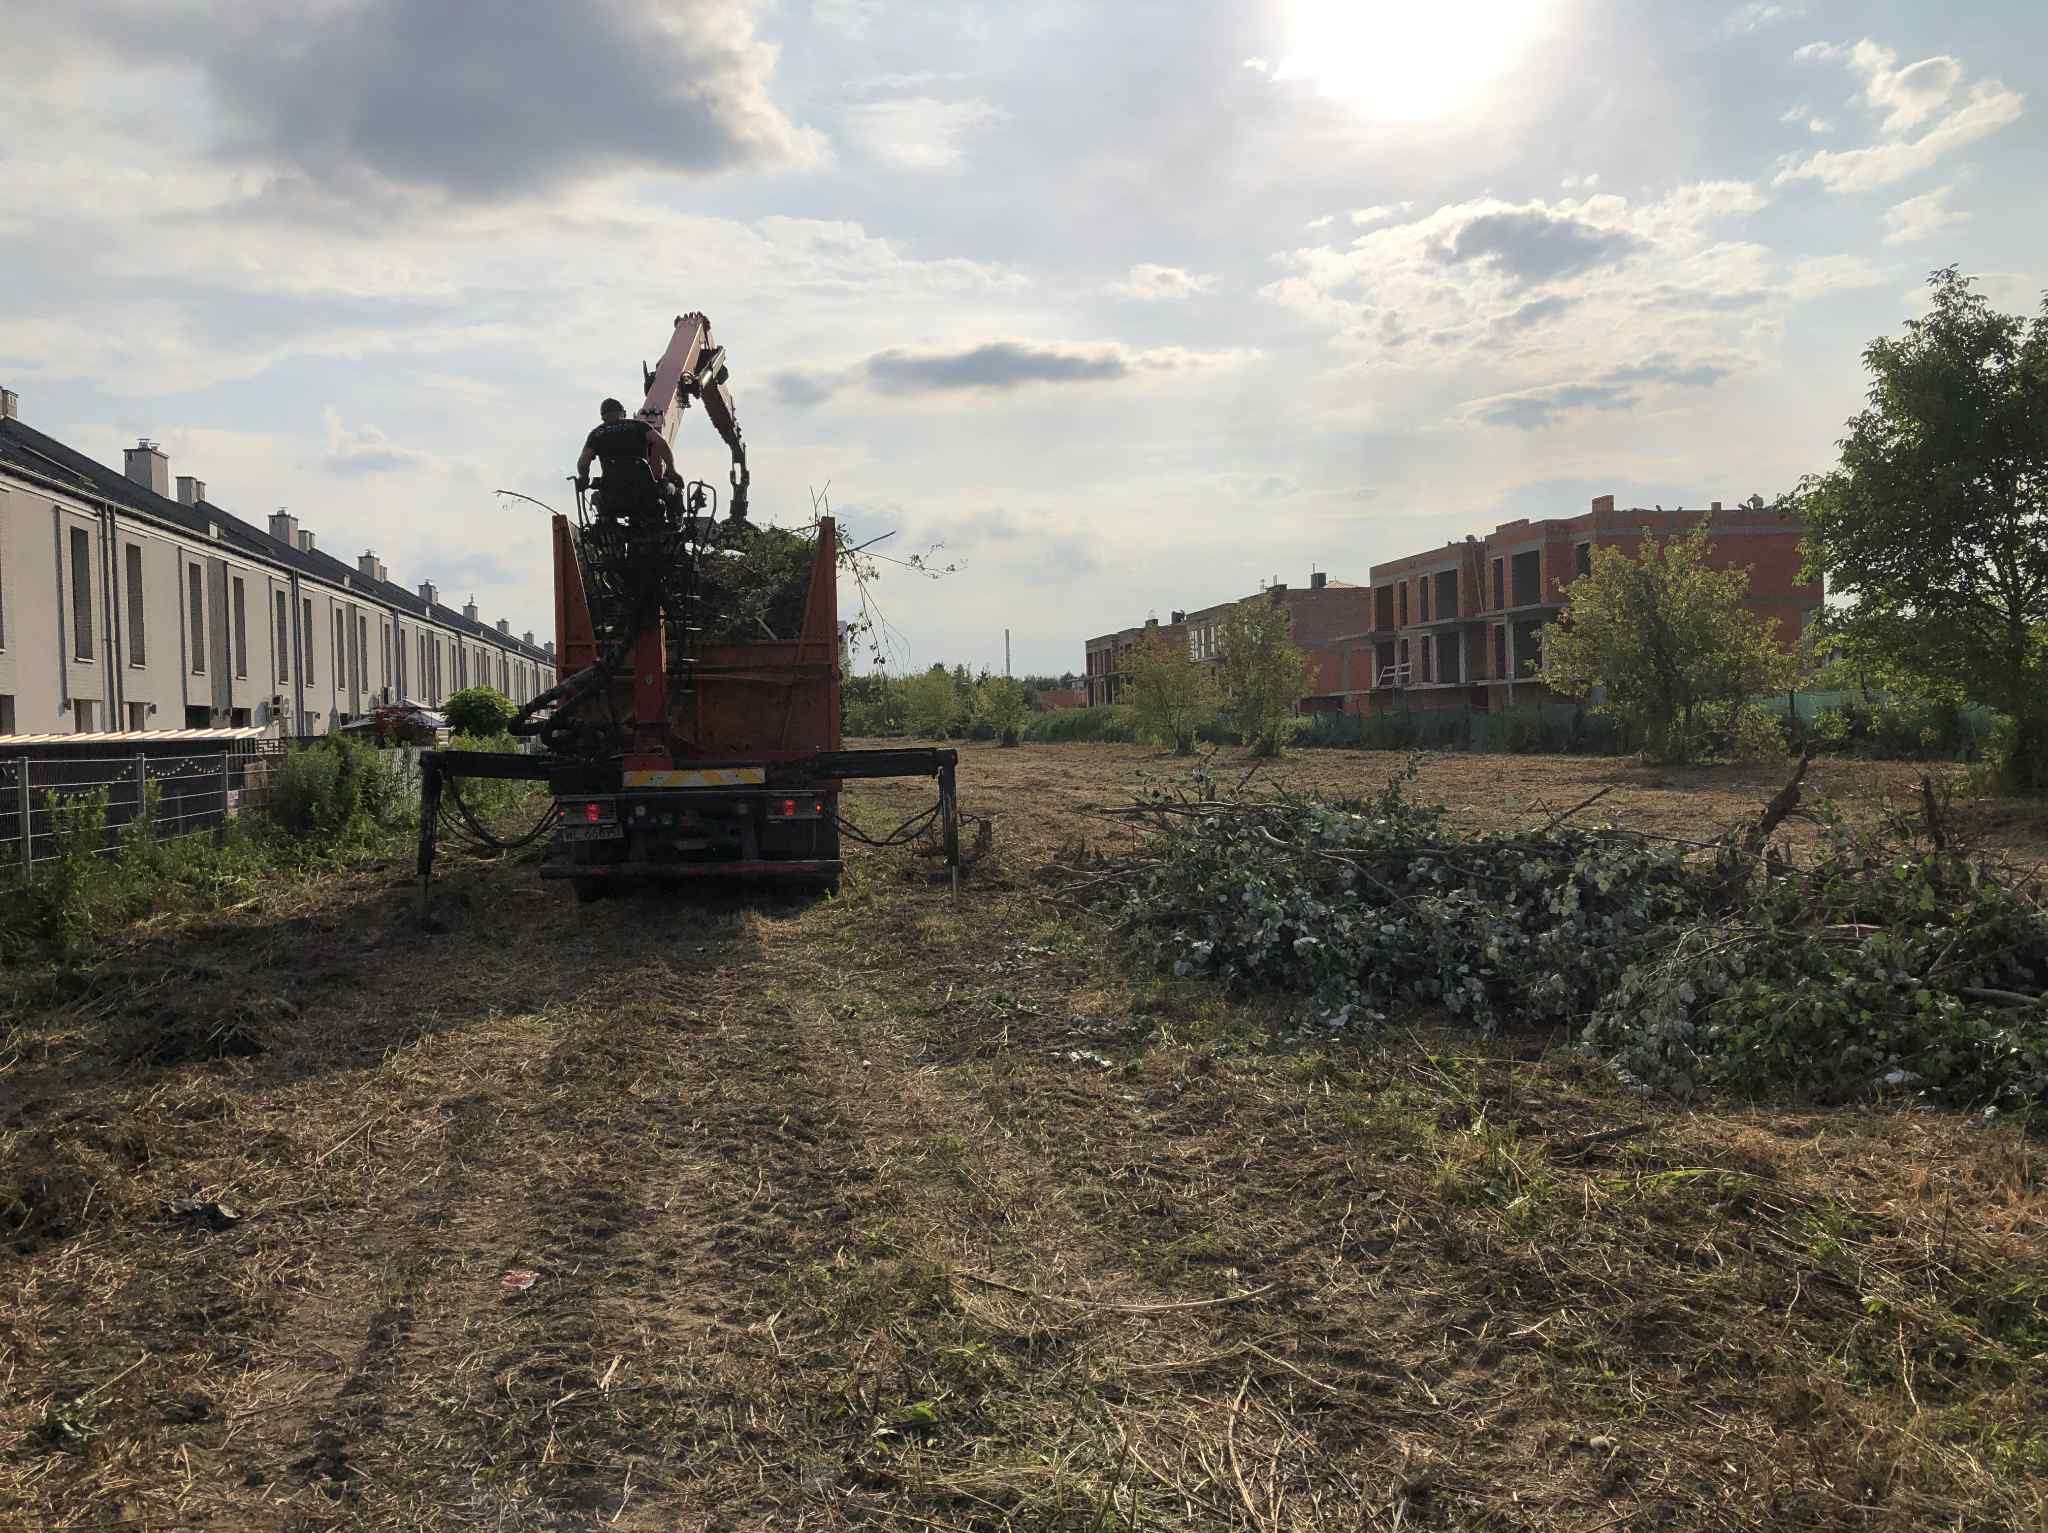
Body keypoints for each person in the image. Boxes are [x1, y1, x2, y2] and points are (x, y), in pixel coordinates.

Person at [575, 398, 678, 520]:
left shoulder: (597, 433)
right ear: (622, 413)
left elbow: (583, 462)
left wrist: (584, 478)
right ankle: (673, 525)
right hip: (646, 496)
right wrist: (672, 470)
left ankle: (608, 529)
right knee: (673, 487)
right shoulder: (640, 426)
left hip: (612, 498)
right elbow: (662, 444)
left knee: (597, 498)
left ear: (603, 417)